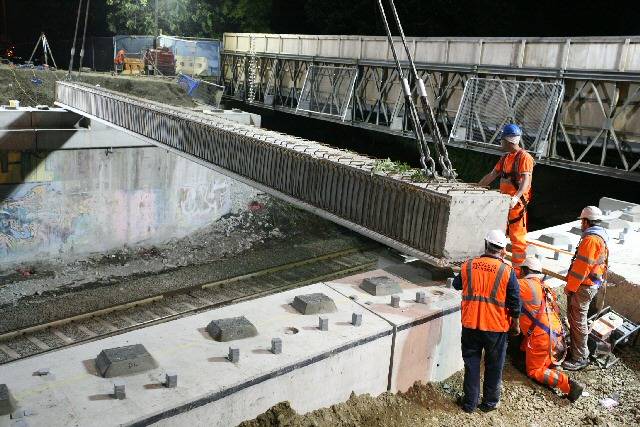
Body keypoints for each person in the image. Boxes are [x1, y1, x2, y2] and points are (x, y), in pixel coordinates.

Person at [452, 229, 521, 413]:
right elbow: (515, 301)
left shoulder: (468, 265)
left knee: (472, 363)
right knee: (494, 364)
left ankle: (469, 404)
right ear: (503, 250)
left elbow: (456, 284)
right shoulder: (507, 271)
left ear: (485, 245)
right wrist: (515, 324)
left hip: (471, 324)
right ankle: (489, 403)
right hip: (496, 327)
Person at [518, 257, 584, 401]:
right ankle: (550, 366)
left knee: (534, 370)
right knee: (537, 356)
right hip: (556, 335)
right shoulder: (545, 287)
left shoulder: (523, 285)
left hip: (541, 337)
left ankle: (567, 384)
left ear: (524, 270)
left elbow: (503, 287)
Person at [478, 124, 534, 275]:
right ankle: (495, 262)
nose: (500, 143)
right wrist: (476, 188)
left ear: (509, 141)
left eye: (502, 140)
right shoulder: (505, 158)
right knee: (497, 235)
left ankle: (517, 272)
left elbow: (526, 181)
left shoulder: (524, 157)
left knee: (518, 239)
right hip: (503, 204)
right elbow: (491, 175)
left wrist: (516, 197)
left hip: (516, 205)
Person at [563, 206, 609, 371]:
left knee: (578, 321)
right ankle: (578, 350)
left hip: (584, 286)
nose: (581, 224)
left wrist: (570, 288)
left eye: (582, 221)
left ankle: (580, 357)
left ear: (586, 221)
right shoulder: (600, 236)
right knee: (576, 320)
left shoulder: (591, 240)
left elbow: (582, 267)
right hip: (590, 284)